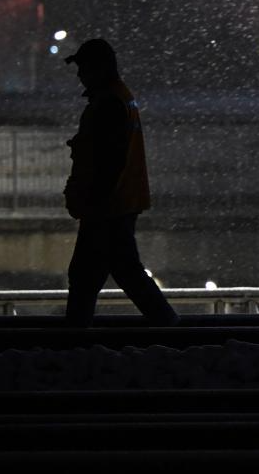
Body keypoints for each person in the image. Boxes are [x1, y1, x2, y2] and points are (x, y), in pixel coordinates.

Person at [62, 38, 178, 327]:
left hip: (107, 207)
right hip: (118, 203)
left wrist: (91, 201)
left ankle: (76, 338)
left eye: (84, 68)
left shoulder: (108, 103)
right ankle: (168, 328)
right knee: (110, 272)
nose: (79, 75)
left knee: (96, 274)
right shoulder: (120, 98)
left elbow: (107, 162)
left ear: (99, 68)